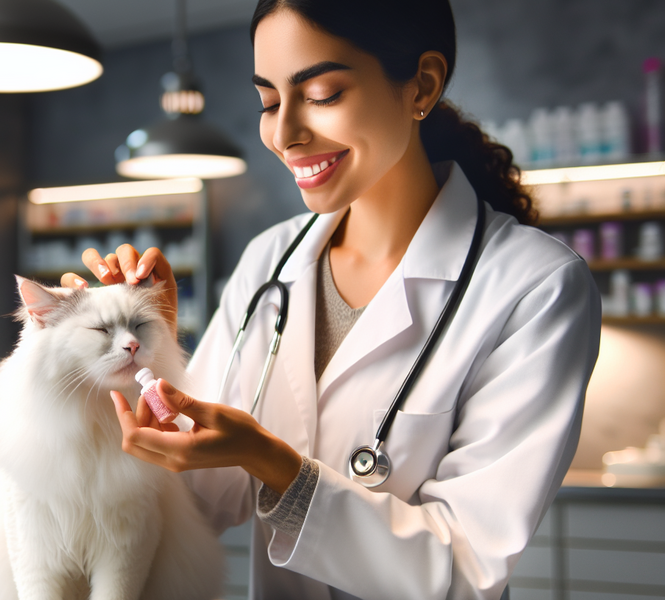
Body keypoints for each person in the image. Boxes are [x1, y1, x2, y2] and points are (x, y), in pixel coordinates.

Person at [62, 1, 601, 598]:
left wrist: (278, 467)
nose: (284, 133)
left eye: (320, 93)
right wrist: (150, 348)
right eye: (268, 102)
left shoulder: (536, 286)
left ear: (422, 83)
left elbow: (466, 572)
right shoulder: (270, 261)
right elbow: (195, 497)